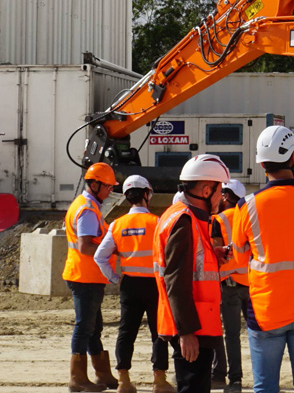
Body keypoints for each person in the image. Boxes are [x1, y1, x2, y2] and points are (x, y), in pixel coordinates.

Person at [233, 126, 294, 393]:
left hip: (266, 308)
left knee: (265, 387)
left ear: (262, 164)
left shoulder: (246, 205)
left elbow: (241, 260)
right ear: (293, 158)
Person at [154, 154, 230, 393]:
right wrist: (186, 332)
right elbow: (176, 280)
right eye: (220, 190)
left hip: (196, 323)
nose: (222, 196)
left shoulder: (185, 217)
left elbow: (192, 265)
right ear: (207, 190)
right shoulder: (184, 221)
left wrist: (214, 255)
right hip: (192, 327)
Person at [93, 175, 176, 393]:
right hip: (155, 285)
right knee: (159, 332)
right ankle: (159, 380)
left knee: (126, 332)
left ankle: (124, 381)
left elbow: (99, 256)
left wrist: (113, 278)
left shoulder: (117, 225)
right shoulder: (157, 222)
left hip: (129, 285)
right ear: (147, 194)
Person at [63, 162, 120, 392]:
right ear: (94, 184)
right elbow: (86, 246)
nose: (110, 190)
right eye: (107, 186)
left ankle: (102, 375)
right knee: (84, 327)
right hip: (84, 276)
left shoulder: (89, 206)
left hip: (88, 276)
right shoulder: (87, 210)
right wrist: (113, 250)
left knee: (94, 327)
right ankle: (78, 379)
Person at [211, 179, 249, 393]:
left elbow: (219, 254)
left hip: (230, 284)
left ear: (226, 196)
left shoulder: (220, 219)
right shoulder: (250, 216)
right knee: (258, 334)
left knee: (231, 335)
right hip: (252, 283)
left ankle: (234, 379)